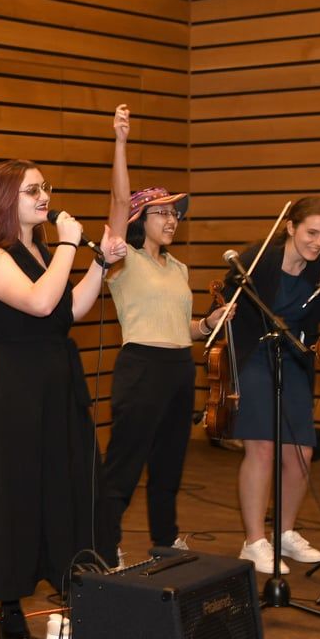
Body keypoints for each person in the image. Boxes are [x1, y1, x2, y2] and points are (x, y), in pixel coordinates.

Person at [0, 161, 124, 639]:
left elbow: (69, 308)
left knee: (67, 481)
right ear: (7, 199)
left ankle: (71, 582)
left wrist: (101, 264)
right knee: (16, 491)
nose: (44, 195)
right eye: (33, 189)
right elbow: (39, 303)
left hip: (56, 380)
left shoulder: (39, 248)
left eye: (45, 187)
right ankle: (9, 604)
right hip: (14, 388)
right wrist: (71, 244)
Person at [97, 105, 233, 560]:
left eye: (176, 214)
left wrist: (207, 325)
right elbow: (118, 203)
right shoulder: (123, 259)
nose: (173, 220)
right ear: (140, 220)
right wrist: (120, 142)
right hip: (141, 368)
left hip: (178, 368)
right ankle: (105, 543)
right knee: (124, 465)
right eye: (163, 213)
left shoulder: (178, 267)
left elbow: (181, 327)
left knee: (169, 467)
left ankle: (164, 541)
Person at [221, 197, 320, 575]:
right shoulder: (259, 259)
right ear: (290, 227)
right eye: (311, 233)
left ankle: (285, 531)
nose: (317, 243)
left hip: (295, 354)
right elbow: (230, 299)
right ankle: (254, 542)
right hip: (254, 353)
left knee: (301, 451)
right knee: (263, 448)